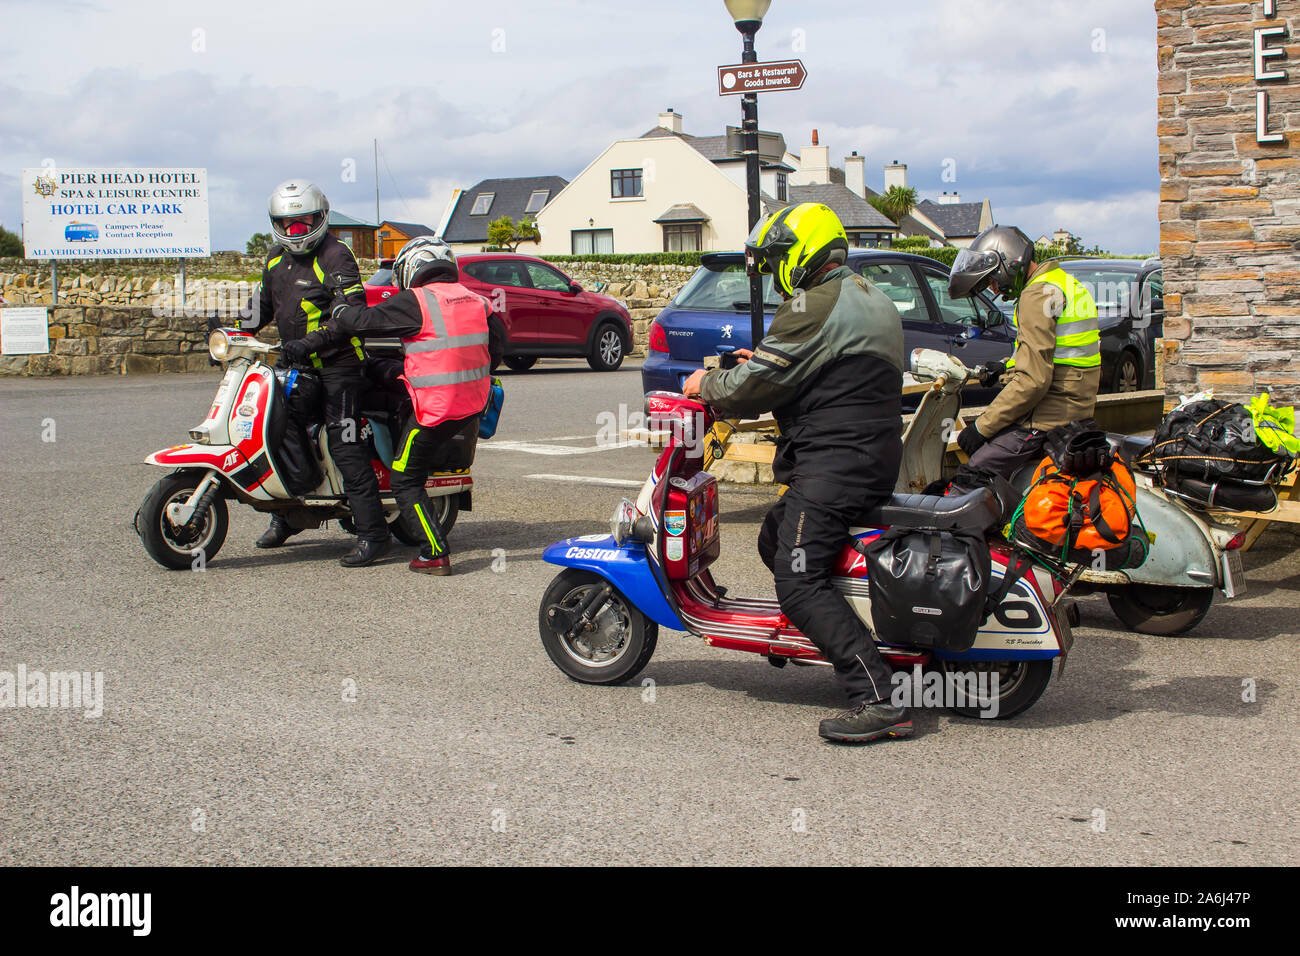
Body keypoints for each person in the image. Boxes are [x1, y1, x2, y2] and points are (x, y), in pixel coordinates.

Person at [682, 202, 911, 745]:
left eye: (781, 256)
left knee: (797, 576)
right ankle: (835, 639)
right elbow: (821, 372)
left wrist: (705, 386)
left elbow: (756, 387)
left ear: (803, 254)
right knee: (775, 535)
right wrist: (759, 362)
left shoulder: (813, 302)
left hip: (836, 465)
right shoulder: (869, 295)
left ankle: (878, 696)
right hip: (870, 456)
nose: (778, 269)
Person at [282, 237, 503, 575]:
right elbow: (496, 350)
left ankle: (434, 553)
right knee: (387, 381)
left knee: (404, 479)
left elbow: (362, 322)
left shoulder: (416, 301)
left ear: (411, 269)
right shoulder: (478, 301)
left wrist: (340, 309)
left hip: (436, 409)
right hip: (473, 403)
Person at [247, 179, 389, 567]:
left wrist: (311, 344)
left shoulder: (336, 255)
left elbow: (352, 314)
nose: (295, 231)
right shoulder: (276, 258)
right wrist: (229, 330)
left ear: (321, 217)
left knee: (342, 442)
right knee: (272, 429)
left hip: (339, 366)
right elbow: (261, 308)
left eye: (303, 221)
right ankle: (290, 514)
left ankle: (374, 534)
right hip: (295, 364)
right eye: (287, 223)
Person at [946, 225, 1101, 480]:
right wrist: (1005, 368)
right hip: (1075, 408)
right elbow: (1053, 355)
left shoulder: (1036, 294)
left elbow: (1033, 381)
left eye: (993, 280)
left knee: (973, 474)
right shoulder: (1060, 282)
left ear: (1008, 263)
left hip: (1047, 418)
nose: (994, 289)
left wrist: (981, 429)